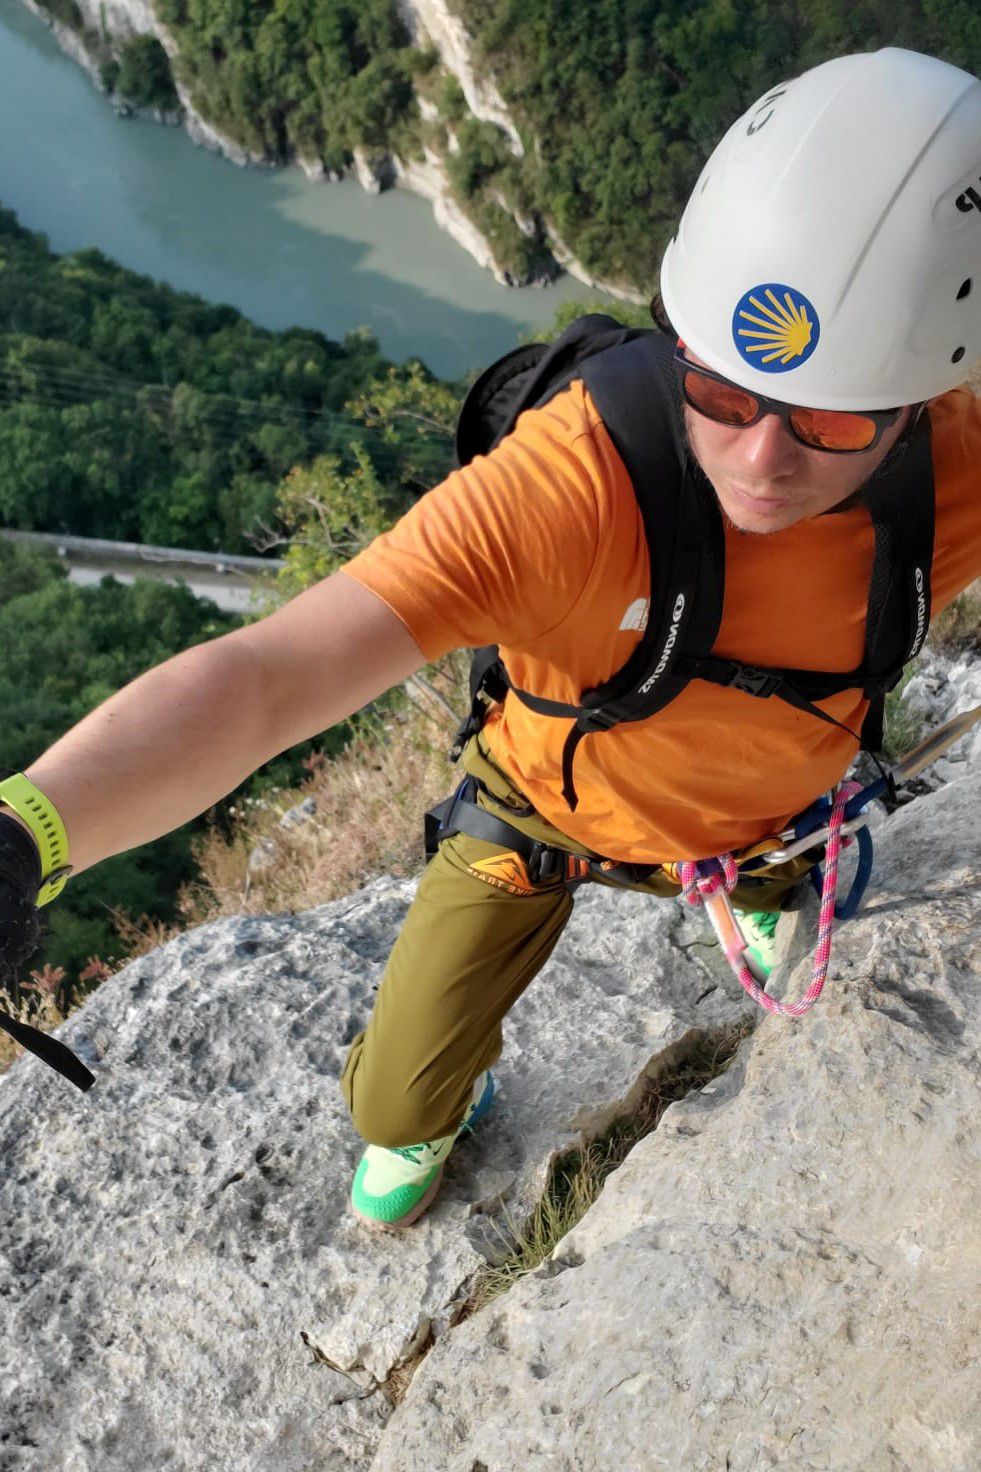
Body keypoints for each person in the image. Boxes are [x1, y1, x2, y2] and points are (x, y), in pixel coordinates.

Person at [1, 47, 979, 1231]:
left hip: (771, 812)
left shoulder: (956, 459)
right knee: (391, 1120)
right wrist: (29, 832)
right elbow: (270, 676)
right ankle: (436, 1102)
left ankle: (767, 876)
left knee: (768, 832)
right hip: (543, 810)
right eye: (720, 390)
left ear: (931, 392)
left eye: (826, 419)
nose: (761, 459)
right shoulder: (567, 492)